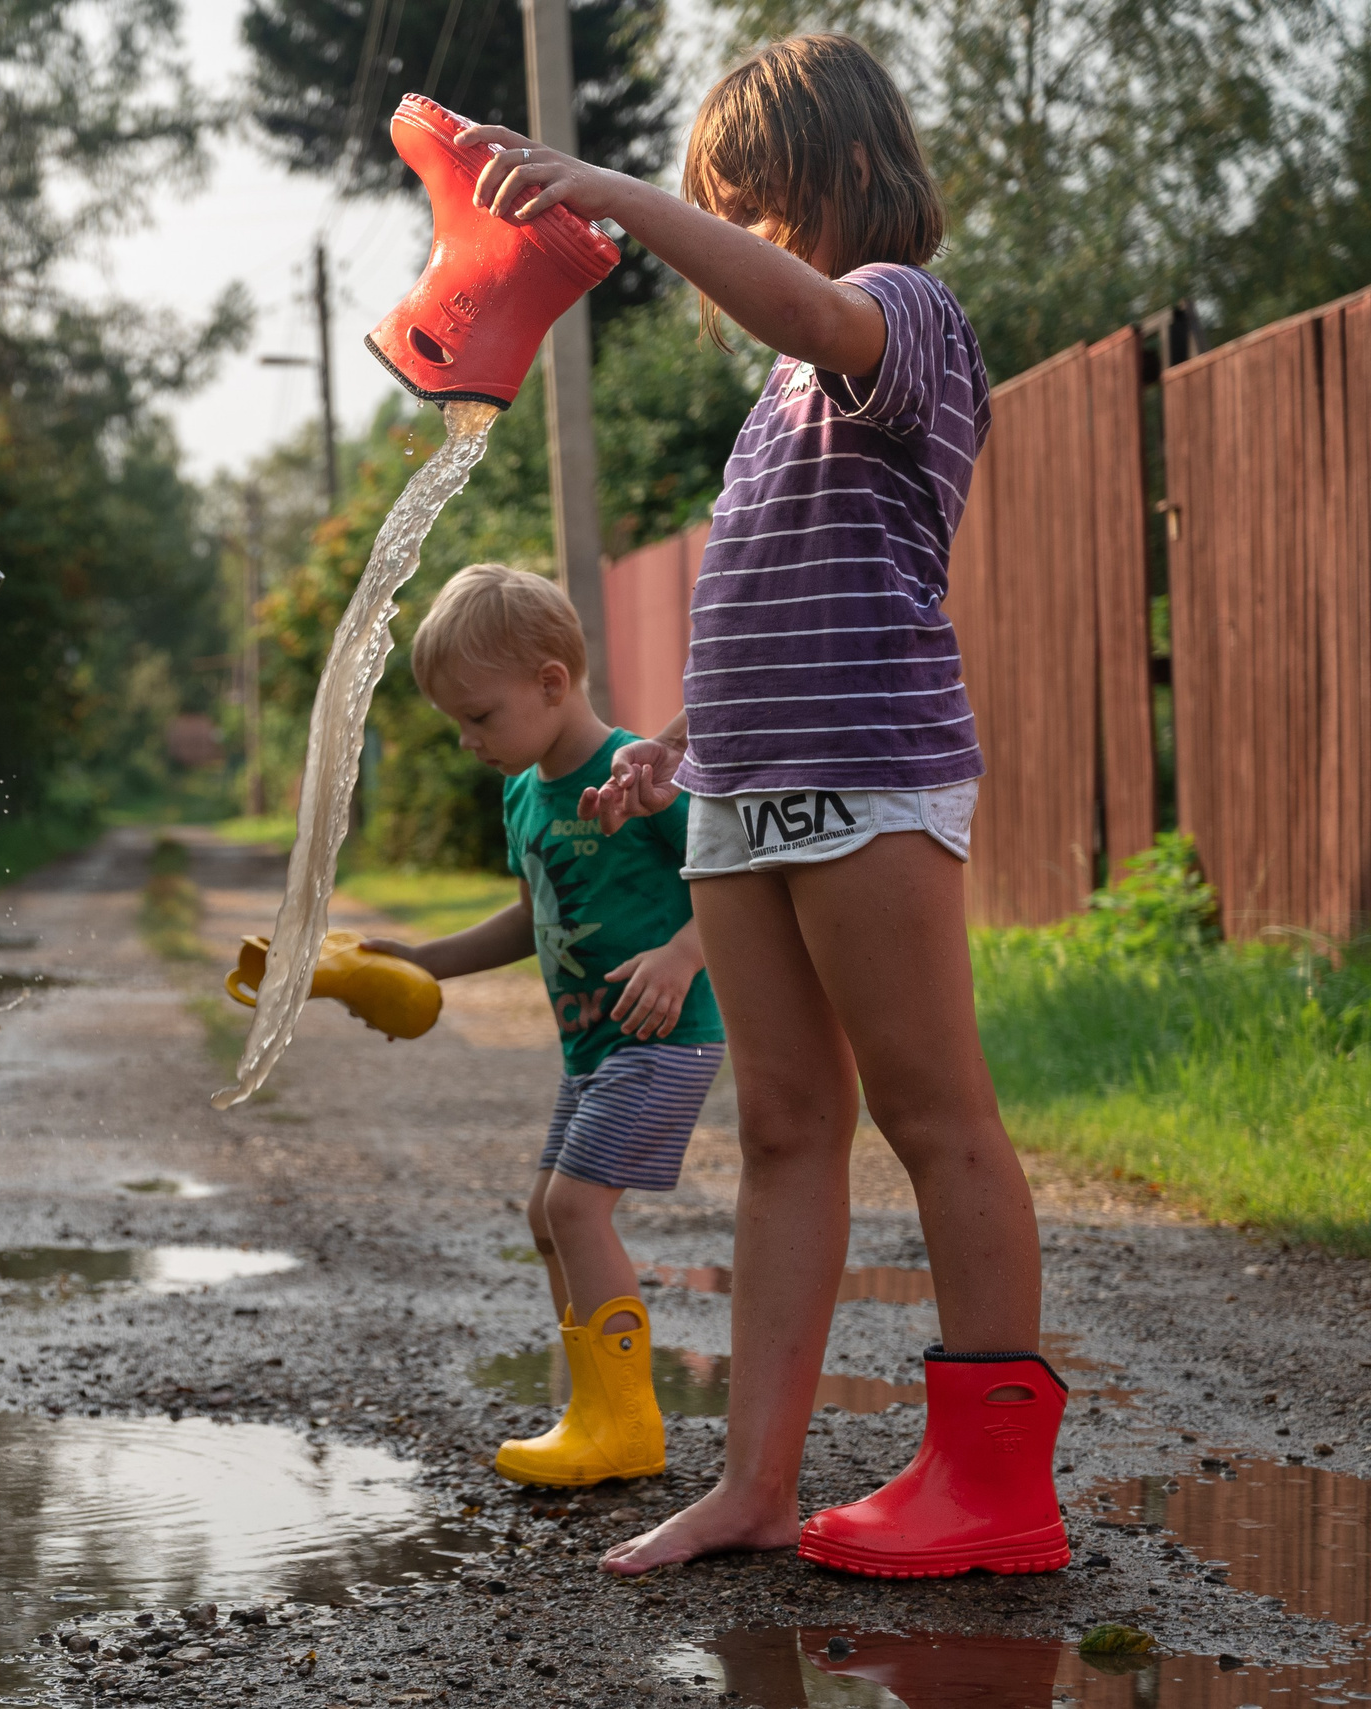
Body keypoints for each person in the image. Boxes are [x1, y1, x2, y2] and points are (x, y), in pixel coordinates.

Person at [461, 34, 1070, 1579]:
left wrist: (615, 194)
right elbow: (794, 586)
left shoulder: (906, 319)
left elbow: (807, 301)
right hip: (740, 792)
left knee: (935, 1113)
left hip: (867, 776)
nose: (743, 232)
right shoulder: (786, 393)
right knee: (790, 1127)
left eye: (752, 202)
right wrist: (682, 738)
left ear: (830, 175)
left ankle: (996, 1484)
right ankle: (753, 1482)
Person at [364, 564, 724, 1489]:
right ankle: (591, 1409)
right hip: (592, 1046)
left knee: (574, 1207)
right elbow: (535, 915)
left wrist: (683, 955)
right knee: (545, 1216)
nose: (466, 739)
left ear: (551, 684)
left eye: (479, 716)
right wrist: (425, 959)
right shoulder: (524, 793)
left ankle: (627, 1423)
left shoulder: (643, 774)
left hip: (662, 1031)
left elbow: (734, 879)